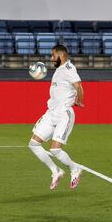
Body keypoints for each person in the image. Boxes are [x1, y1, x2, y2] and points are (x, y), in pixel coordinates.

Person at [28, 44, 84, 190]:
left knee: (55, 150)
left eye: (53, 56)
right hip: (51, 112)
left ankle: (75, 169)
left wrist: (79, 100)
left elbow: (79, 86)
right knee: (33, 144)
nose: (51, 59)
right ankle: (56, 171)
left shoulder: (68, 69)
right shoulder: (59, 70)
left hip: (63, 114)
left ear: (60, 56)